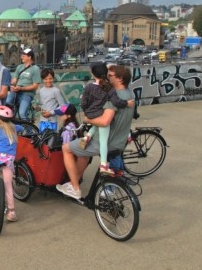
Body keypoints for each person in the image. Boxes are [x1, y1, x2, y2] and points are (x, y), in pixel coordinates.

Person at [56, 65, 135, 200]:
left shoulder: (112, 99)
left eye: (110, 76)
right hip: (119, 142)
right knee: (82, 151)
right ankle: (75, 179)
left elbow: (104, 122)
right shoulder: (130, 94)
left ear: (120, 79)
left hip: (103, 142)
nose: (107, 78)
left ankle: (75, 188)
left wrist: (87, 119)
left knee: (66, 149)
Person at [79, 63, 134, 175]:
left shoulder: (89, 87)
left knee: (99, 127)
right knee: (103, 140)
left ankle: (89, 137)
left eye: (111, 75)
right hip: (102, 115)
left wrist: (87, 112)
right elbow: (117, 102)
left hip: (91, 113)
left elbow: (83, 103)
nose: (109, 77)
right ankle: (105, 164)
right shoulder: (112, 89)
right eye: (107, 75)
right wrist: (126, 103)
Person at [6, 48, 41, 122]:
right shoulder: (20, 67)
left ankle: (30, 130)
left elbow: (35, 86)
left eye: (23, 55)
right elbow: (14, 80)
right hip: (16, 91)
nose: (21, 57)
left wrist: (21, 89)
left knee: (22, 114)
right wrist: (11, 85)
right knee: (7, 105)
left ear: (29, 57)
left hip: (27, 94)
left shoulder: (35, 69)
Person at [36, 68, 66, 132]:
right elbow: (43, 104)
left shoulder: (56, 91)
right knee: (42, 140)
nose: (48, 81)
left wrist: (51, 113)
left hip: (52, 122)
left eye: (50, 78)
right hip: (42, 121)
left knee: (51, 141)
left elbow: (63, 107)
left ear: (53, 78)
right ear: (42, 79)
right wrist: (38, 108)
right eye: (45, 79)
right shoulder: (41, 90)